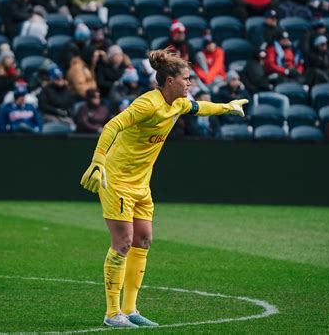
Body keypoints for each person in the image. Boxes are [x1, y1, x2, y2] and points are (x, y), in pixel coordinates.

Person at [79, 48, 248, 328]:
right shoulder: (148, 104)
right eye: (186, 79)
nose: (190, 83)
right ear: (169, 81)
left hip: (141, 184)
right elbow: (112, 125)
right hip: (117, 179)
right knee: (122, 243)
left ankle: (131, 309)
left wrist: (227, 106)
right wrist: (98, 162)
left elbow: (199, 108)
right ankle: (112, 314)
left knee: (143, 240)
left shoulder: (178, 104)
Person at [38, 66, 76, 132]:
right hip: (50, 115)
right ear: (52, 79)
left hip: (65, 116)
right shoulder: (46, 90)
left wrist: (68, 112)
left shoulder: (67, 90)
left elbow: (71, 104)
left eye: (61, 78)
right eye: (57, 78)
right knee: (54, 124)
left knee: (72, 126)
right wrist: (56, 111)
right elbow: (43, 105)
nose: (60, 80)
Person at [0, 45, 19, 116]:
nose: (10, 60)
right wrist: (9, 78)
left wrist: (13, 75)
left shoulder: (14, 72)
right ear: (3, 60)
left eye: (11, 58)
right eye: (7, 58)